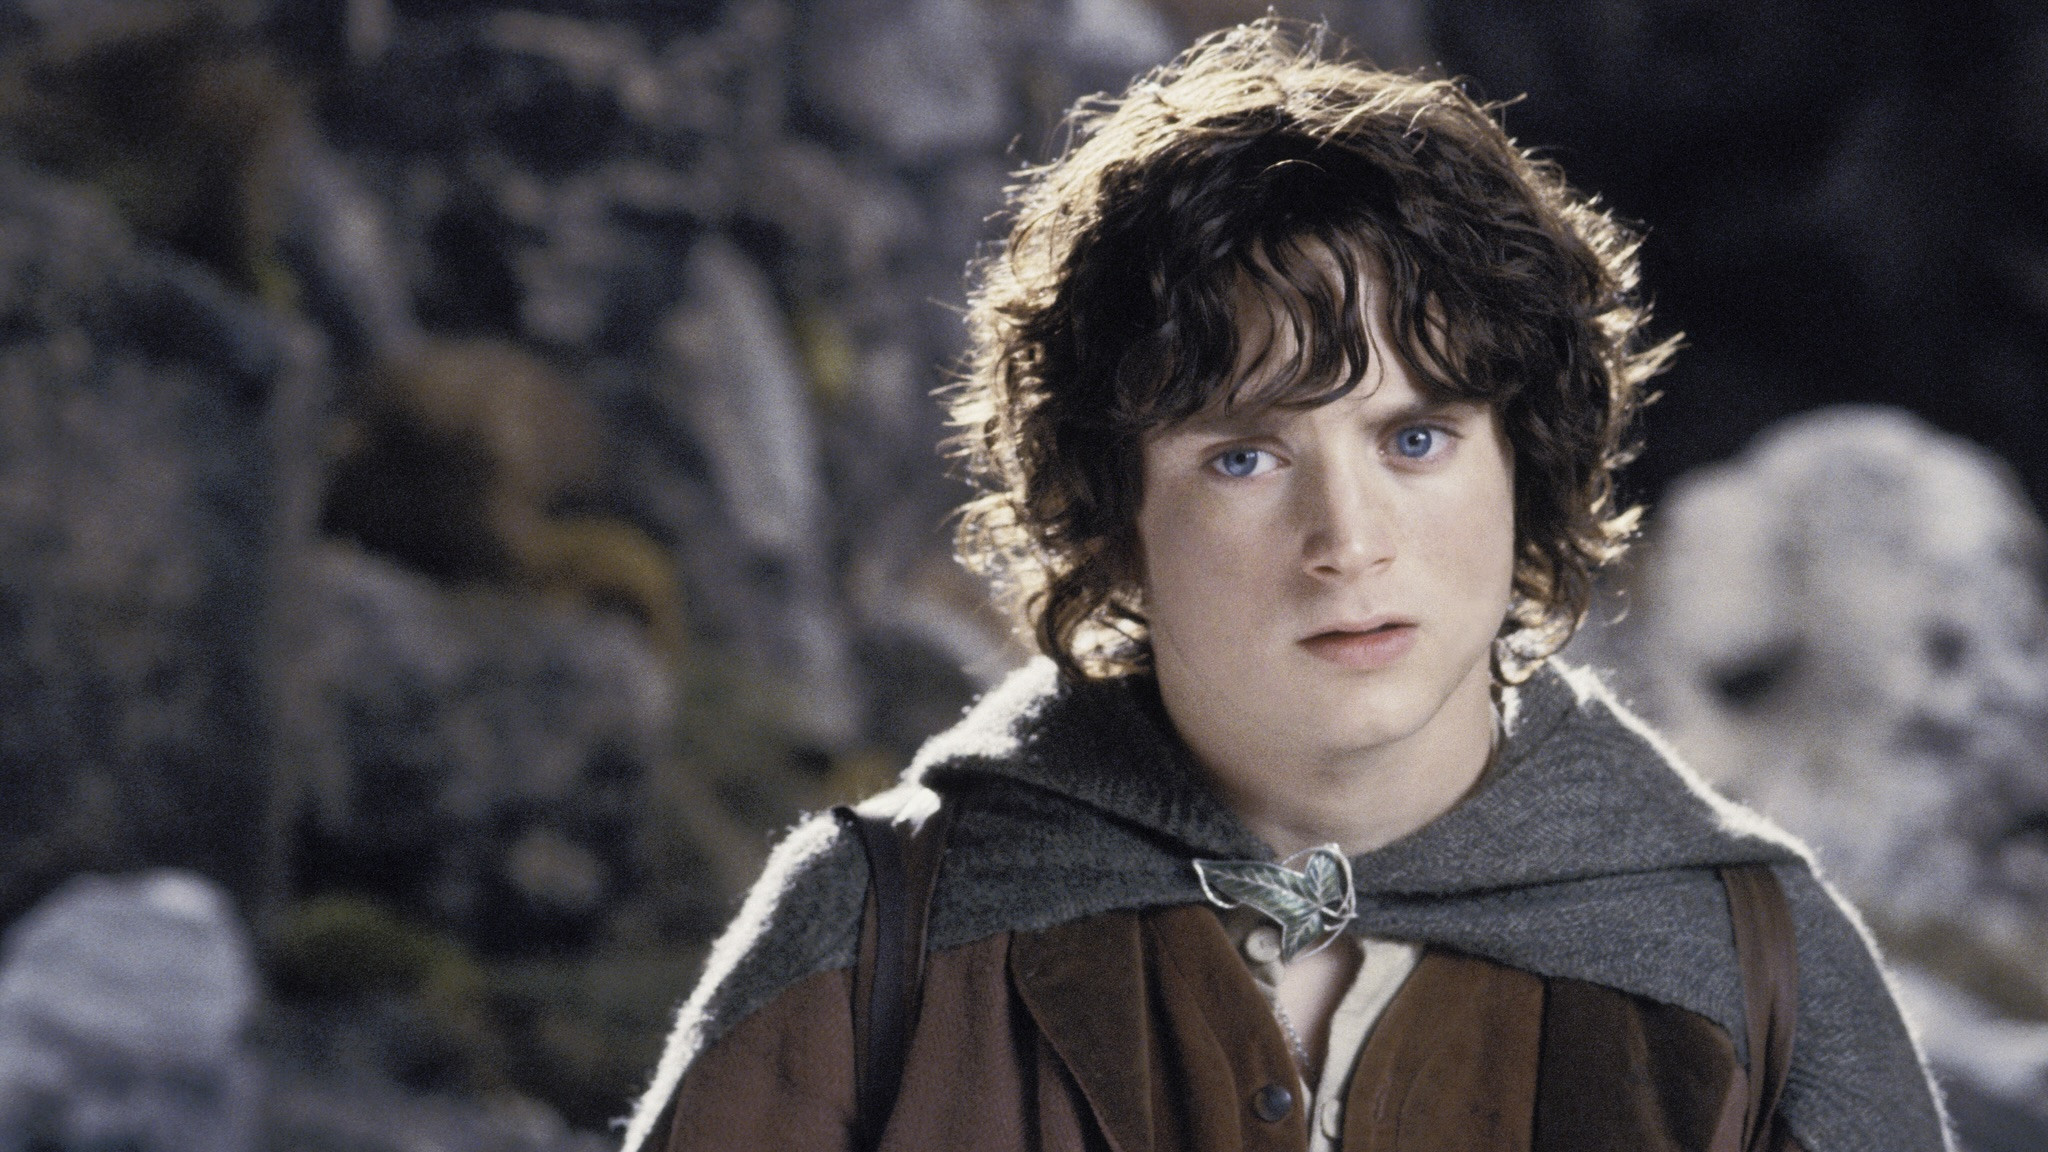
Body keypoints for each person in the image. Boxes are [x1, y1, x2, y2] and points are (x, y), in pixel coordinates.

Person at [621, 20, 1948, 1152]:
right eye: (1245, 457)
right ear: (1116, 515)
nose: (1347, 541)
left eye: (1414, 439)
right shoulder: (873, 942)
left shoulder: (1759, 970)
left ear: (1522, 465)